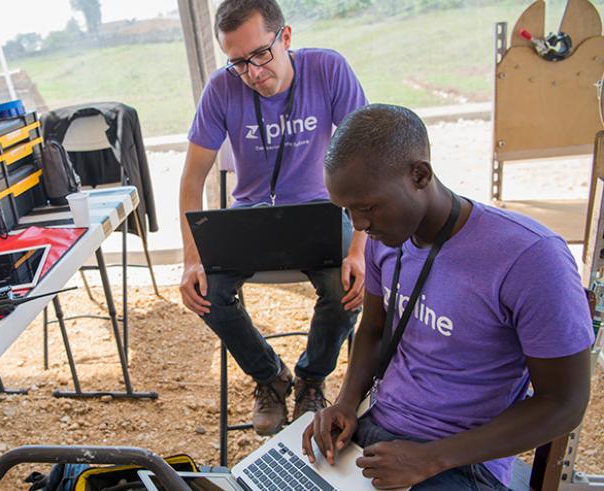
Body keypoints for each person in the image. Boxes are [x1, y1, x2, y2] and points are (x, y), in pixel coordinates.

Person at [302, 103, 594, 489]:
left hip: (461, 462)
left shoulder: (529, 256)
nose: (359, 224)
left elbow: (564, 403)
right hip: (378, 433)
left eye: (367, 207)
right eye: (347, 211)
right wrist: (346, 402)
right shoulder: (383, 238)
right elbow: (373, 328)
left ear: (419, 175)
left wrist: (431, 458)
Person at [179, 0, 369, 436]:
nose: (252, 72)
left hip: (320, 211)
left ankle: (311, 379)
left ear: (285, 37)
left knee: (346, 288)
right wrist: (192, 258)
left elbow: (368, 163)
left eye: (261, 54)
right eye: (238, 62)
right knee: (206, 292)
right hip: (250, 215)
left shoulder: (328, 69)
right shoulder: (221, 88)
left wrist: (361, 250)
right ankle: (270, 377)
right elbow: (192, 179)